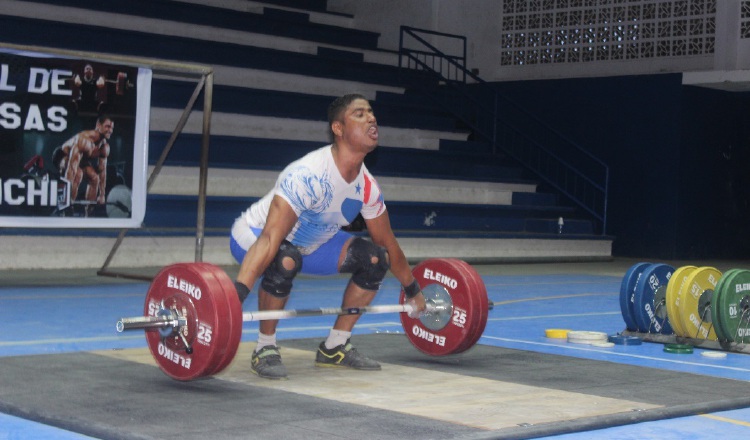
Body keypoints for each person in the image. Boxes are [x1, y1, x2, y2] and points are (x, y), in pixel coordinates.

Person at [230, 94, 427, 380]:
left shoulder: (367, 187)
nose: (371, 118)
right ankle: (265, 347)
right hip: (253, 236)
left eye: (371, 113)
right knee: (285, 258)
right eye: (359, 114)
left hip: (311, 247)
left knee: (375, 258)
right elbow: (271, 238)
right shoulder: (307, 174)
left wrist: (414, 291)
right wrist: (234, 298)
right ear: (338, 128)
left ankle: (335, 346)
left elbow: (388, 244)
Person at [53, 115, 113, 213]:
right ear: (98, 125)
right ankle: (68, 209)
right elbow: (71, 169)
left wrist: (102, 195)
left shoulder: (105, 148)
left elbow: (102, 171)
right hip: (63, 155)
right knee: (78, 173)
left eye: (111, 128)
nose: (110, 130)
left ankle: (88, 212)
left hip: (80, 160)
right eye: (107, 126)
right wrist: (67, 197)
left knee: (94, 178)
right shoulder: (84, 140)